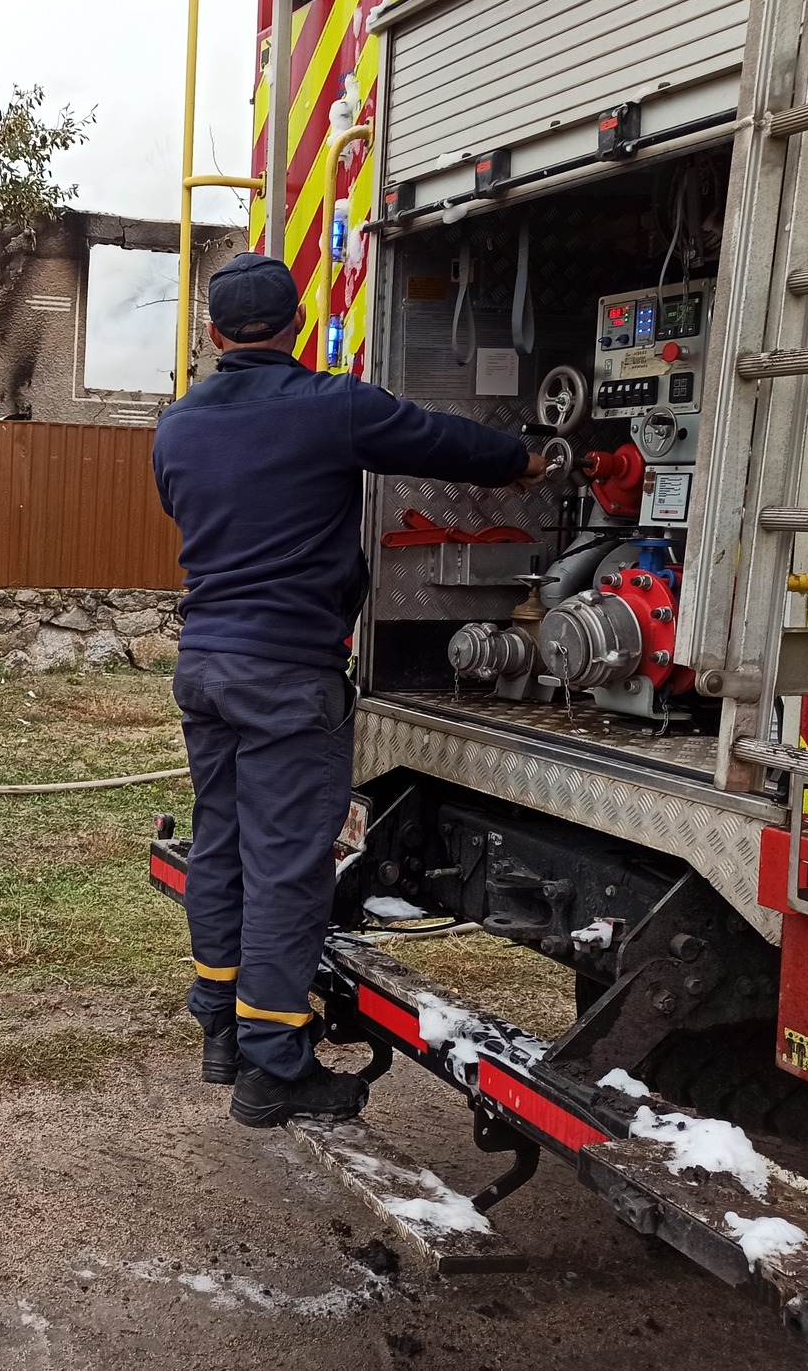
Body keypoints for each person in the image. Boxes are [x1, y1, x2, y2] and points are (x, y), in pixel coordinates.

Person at [153, 251, 545, 1128]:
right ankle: (272, 1069)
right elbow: (443, 441)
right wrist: (524, 463)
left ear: (214, 333)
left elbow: (191, 511)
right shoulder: (330, 408)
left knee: (222, 844)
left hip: (207, 665)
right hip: (289, 674)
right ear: (295, 324)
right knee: (289, 867)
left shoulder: (175, 427)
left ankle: (220, 1024)